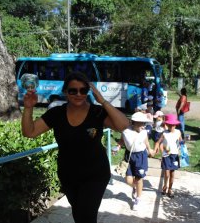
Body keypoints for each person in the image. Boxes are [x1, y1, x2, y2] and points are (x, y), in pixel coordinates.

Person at [21, 72, 129, 223]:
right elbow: (29, 132)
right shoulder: (56, 114)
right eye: (73, 90)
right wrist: (28, 108)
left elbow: (123, 125)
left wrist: (103, 101)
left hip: (95, 174)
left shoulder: (97, 112)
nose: (78, 94)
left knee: (86, 216)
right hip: (68, 174)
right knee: (79, 214)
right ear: (65, 92)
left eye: (83, 90)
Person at [119, 112, 155, 211]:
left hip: (141, 156)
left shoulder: (144, 132)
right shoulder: (125, 131)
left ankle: (138, 199)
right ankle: (135, 187)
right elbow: (122, 141)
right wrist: (118, 146)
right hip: (129, 156)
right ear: (133, 123)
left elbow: (146, 141)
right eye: (140, 123)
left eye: (144, 123)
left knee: (139, 179)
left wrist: (150, 149)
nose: (142, 126)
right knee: (128, 180)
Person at [154, 114, 183, 198]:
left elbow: (180, 142)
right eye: (170, 125)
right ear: (167, 125)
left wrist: (184, 143)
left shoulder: (178, 132)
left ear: (175, 125)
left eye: (173, 125)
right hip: (166, 156)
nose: (172, 127)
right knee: (166, 174)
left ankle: (170, 189)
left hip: (174, 156)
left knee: (172, 173)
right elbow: (158, 142)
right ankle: (165, 186)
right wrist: (158, 149)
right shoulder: (164, 133)